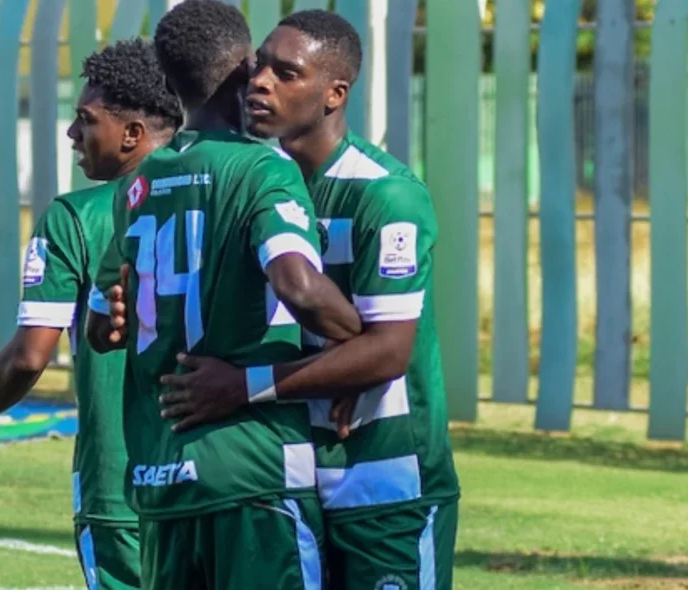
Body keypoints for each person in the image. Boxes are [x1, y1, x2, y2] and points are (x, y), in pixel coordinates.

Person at [155, 10, 462, 590]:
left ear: (334, 93)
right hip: (289, 477)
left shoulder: (386, 195)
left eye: (286, 73)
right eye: (259, 66)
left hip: (384, 482)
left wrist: (241, 386)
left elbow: (390, 352)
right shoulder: (254, 181)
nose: (260, 82)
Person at [84, 1, 364, 588]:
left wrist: (120, 319)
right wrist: (363, 349)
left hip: (162, 478)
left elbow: (101, 327)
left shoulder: (139, 181)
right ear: (243, 67)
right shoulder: (263, 170)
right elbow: (298, 285)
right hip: (252, 472)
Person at [0, 39, 182, 590]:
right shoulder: (226, 195)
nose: (72, 135)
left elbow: (28, 356)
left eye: (85, 120)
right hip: (217, 478)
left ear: (133, 134)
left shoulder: (77, 216)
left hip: (122, 484)